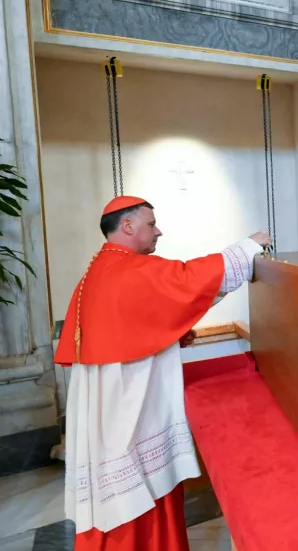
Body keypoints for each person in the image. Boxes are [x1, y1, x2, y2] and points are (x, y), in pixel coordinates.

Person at [54, 195, 271, 551]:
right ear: (127, 226)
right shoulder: (126, 269)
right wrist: (248, 247)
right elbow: (187, 280)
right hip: (126, 408)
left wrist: (173, 332)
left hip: (112, 404)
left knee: (126, 489)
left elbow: (145, 316)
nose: (159, 232)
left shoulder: (103, 269)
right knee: (135, 489)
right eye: (151, 224)